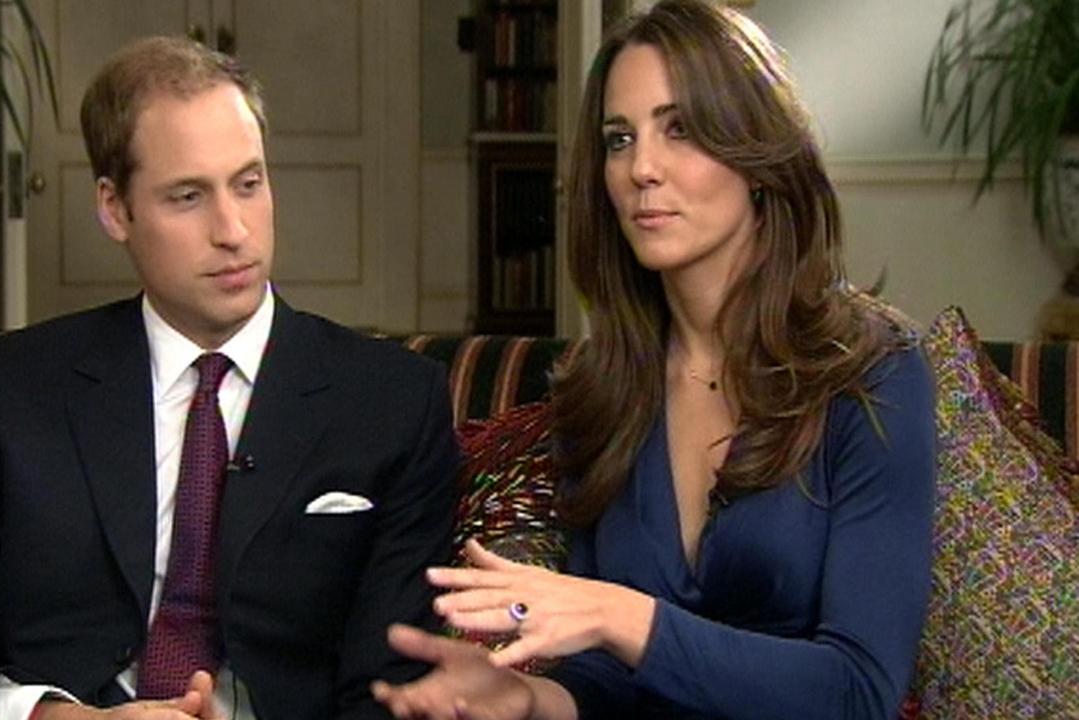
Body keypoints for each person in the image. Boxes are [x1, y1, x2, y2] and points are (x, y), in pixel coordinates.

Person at [0, 36, 458, 720]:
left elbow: (391, 688)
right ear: (115, 210)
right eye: (186, 196)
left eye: (248, 183)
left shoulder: (392, 401)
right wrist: (54, 716)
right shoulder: (8, 385)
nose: (233, 230)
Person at [372, 2, 935, 719]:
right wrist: (526, 698)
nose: (641, 168)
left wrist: (619, 615)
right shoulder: (601, 391)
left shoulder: (871, 373)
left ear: (756, 152)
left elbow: (859, 693)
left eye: (681, 129)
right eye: (617, 138)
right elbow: (610, 682)